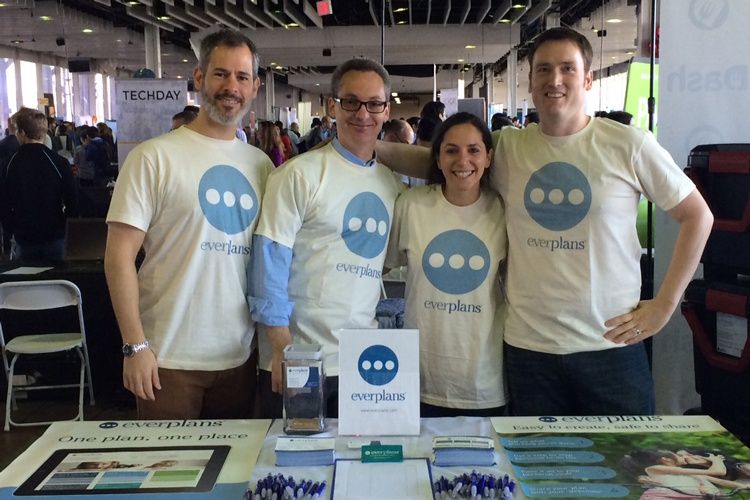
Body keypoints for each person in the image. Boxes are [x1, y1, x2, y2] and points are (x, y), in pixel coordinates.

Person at [375, 26, 713, 416]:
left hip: (609, 346)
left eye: (568, 68)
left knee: (625, 454)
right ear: (531, 83)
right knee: (538, 456)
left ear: (588, 79)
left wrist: (665, 304)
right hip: (529, 351)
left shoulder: (627, 144)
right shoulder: (510, 146)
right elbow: (445, 163)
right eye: (544, 69)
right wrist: (367, 146)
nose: (555, 80)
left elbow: (697, 215)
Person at [104, 29, 273, 420]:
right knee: (166, 461)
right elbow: (118, 258)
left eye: (242, 77)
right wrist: (134, 345)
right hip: (167, 358)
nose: (231, 87)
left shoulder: (261, 166)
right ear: (199, 78)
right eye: (221, 74)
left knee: (235, 461)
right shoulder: (153, 157)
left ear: (254, 87)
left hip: (238, 358)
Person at [248, 57, 404, 418]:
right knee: (293, 452)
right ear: (332, 107)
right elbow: (267, 264)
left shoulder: (389, 184)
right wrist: (281, 347)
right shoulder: (299, 175)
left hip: (361, 360)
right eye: (351, 102)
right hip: (300, 356)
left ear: (386, 110)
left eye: (374, 104)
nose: (362, 114)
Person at [385, 112, 508, 417]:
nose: (462, 160)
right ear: (438, 159)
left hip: (483, 381)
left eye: (473, 150)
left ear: (488, 157)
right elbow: (380, 268)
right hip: (419, 375)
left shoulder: (504, 210)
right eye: (451, 150)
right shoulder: (411, 205)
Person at [0, 108, 78, 262]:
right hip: (55, 234)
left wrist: (11, 229)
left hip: (24, 236)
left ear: (22, 133)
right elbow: (72, 200)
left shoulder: (9, 164)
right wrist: (66, 228)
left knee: (27, 276)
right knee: (58, 275)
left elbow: (3, 202)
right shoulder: (59, 162)